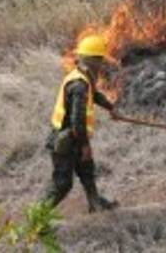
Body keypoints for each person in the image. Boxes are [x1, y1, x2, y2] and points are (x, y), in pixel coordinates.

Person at [43, 33, 119, 212]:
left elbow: (94, 94)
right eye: (100, 60)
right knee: (62, 184)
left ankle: (95, 203)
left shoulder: (82, 76)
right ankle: (37, 219)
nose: (102, 64)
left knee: (87, 171)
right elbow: (78, 121)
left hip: (72, 137)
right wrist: (85, 145)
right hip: (65, 140)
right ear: (92, 60)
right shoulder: (79, 84)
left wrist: (110, 107)